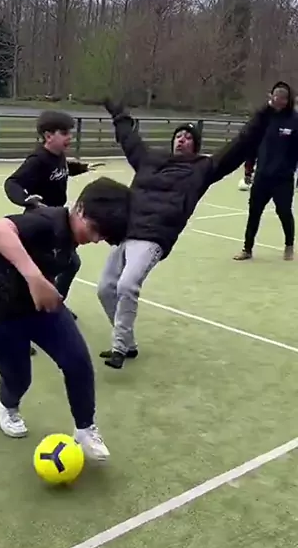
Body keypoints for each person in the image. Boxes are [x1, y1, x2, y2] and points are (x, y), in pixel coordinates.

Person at [98, 95, 275, 369]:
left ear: (196, 146)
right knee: (105, 289)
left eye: (189, 137)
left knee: (126, 285)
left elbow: (240, 145)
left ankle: (119, 347)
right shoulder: (149, 160)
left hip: (154, 237)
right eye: (179, 135)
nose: (182, 139)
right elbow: (129, 138)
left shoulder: (202, 169)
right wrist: (117, 112)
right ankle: (128, 344)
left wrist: (265, 113)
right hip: (125, 232)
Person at [0, 177, 131, 461]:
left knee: (77, 360)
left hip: (38, 307)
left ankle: (85, 429)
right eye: (94, 230)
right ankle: (6, 405)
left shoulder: (72, 241)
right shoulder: (47, 221)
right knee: (18, 378)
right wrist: (34, 277)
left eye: (102, 237)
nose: (95, 240)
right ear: (79, 208)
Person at [3, 110, 103, 337]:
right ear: (48, 136)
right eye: (64, 133)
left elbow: (62, 170)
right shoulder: (37, 160)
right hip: (41, 224)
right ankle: (21, 325)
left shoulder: (58, 156)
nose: (70, 138)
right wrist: (26, 199)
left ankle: (53, 306)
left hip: (59, 223)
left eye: (70, 133)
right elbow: (12, 183)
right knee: (41, 273)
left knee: (69, 264)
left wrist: (82, 168)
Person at [234, 81, 298, 262]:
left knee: (284, 212)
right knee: (254, 213)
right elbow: (251, 144)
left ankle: (289, 246)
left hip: (283, 178)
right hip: (262, 176)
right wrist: (248, 170)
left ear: (288, 100)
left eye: (283, 98)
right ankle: (247, 249)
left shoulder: (294, 120)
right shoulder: (263, 118)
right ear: (271, 97)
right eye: (276, 97)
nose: (279, 101)